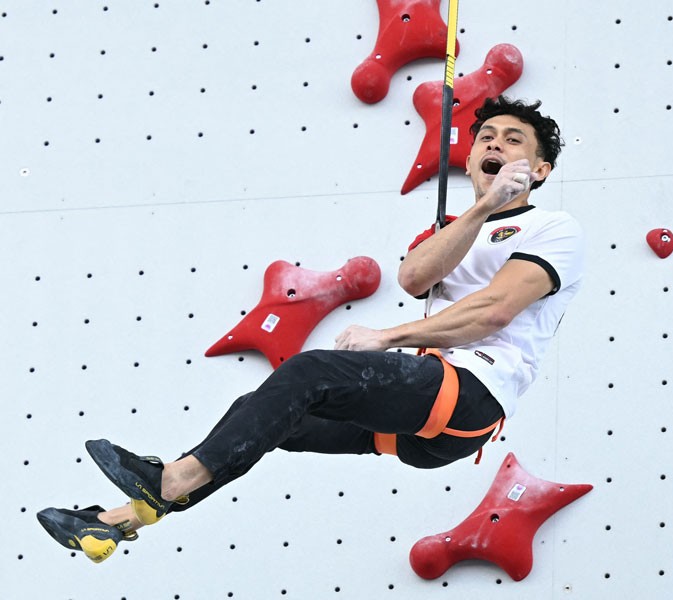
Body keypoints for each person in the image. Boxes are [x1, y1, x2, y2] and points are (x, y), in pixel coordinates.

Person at [37, 96, 585, 564]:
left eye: (514, 140)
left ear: (539, 171)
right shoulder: (456, 228)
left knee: (311, 372)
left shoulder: (552, 227)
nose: (496, 144)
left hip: (472, 395)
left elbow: (492, 312)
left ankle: (169, 481)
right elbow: (413, 277)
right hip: (418, 421)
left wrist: (387, 337)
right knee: (267, 414)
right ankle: (118, 521)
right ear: (469, 159)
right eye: (486, 137)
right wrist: (484, 206)